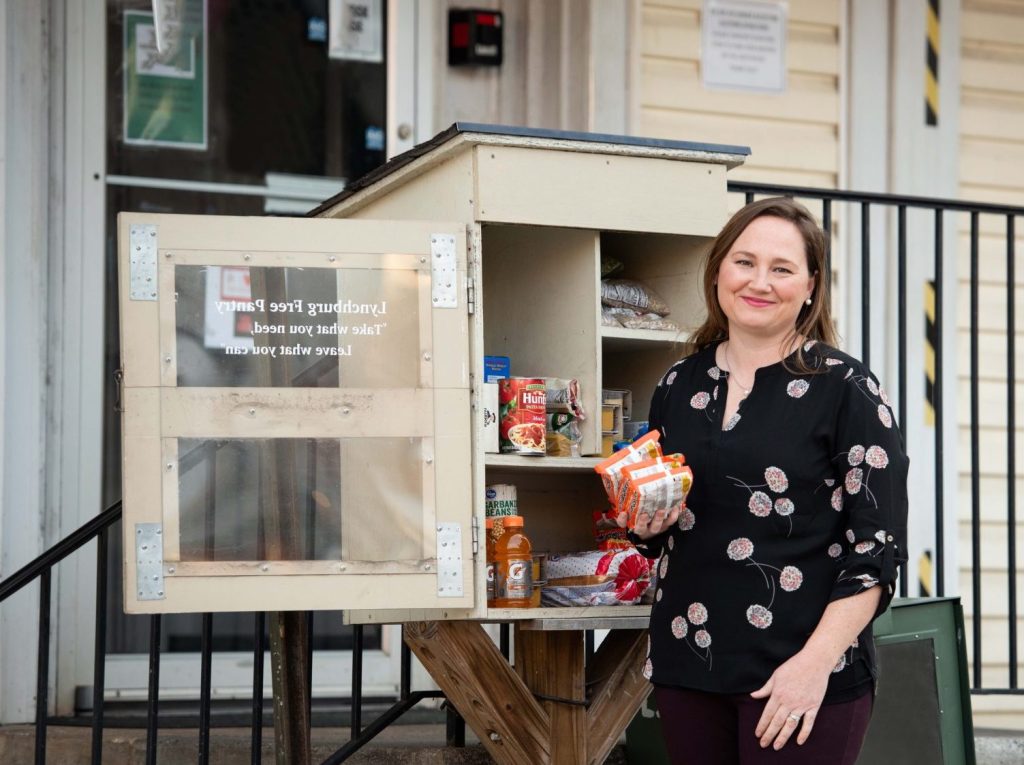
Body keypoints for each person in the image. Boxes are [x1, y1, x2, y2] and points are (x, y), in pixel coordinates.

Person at [623, 197, 909, 764]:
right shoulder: (679, 383)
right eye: (744, 262)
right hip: (689, 663)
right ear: (718, 272)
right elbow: (663, 521)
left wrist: (813, 665)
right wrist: (643, 523)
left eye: (782, 269)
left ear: (810, 286)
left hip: (800, 674)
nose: (760, 281)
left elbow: (877, 552)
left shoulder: (846, 388)